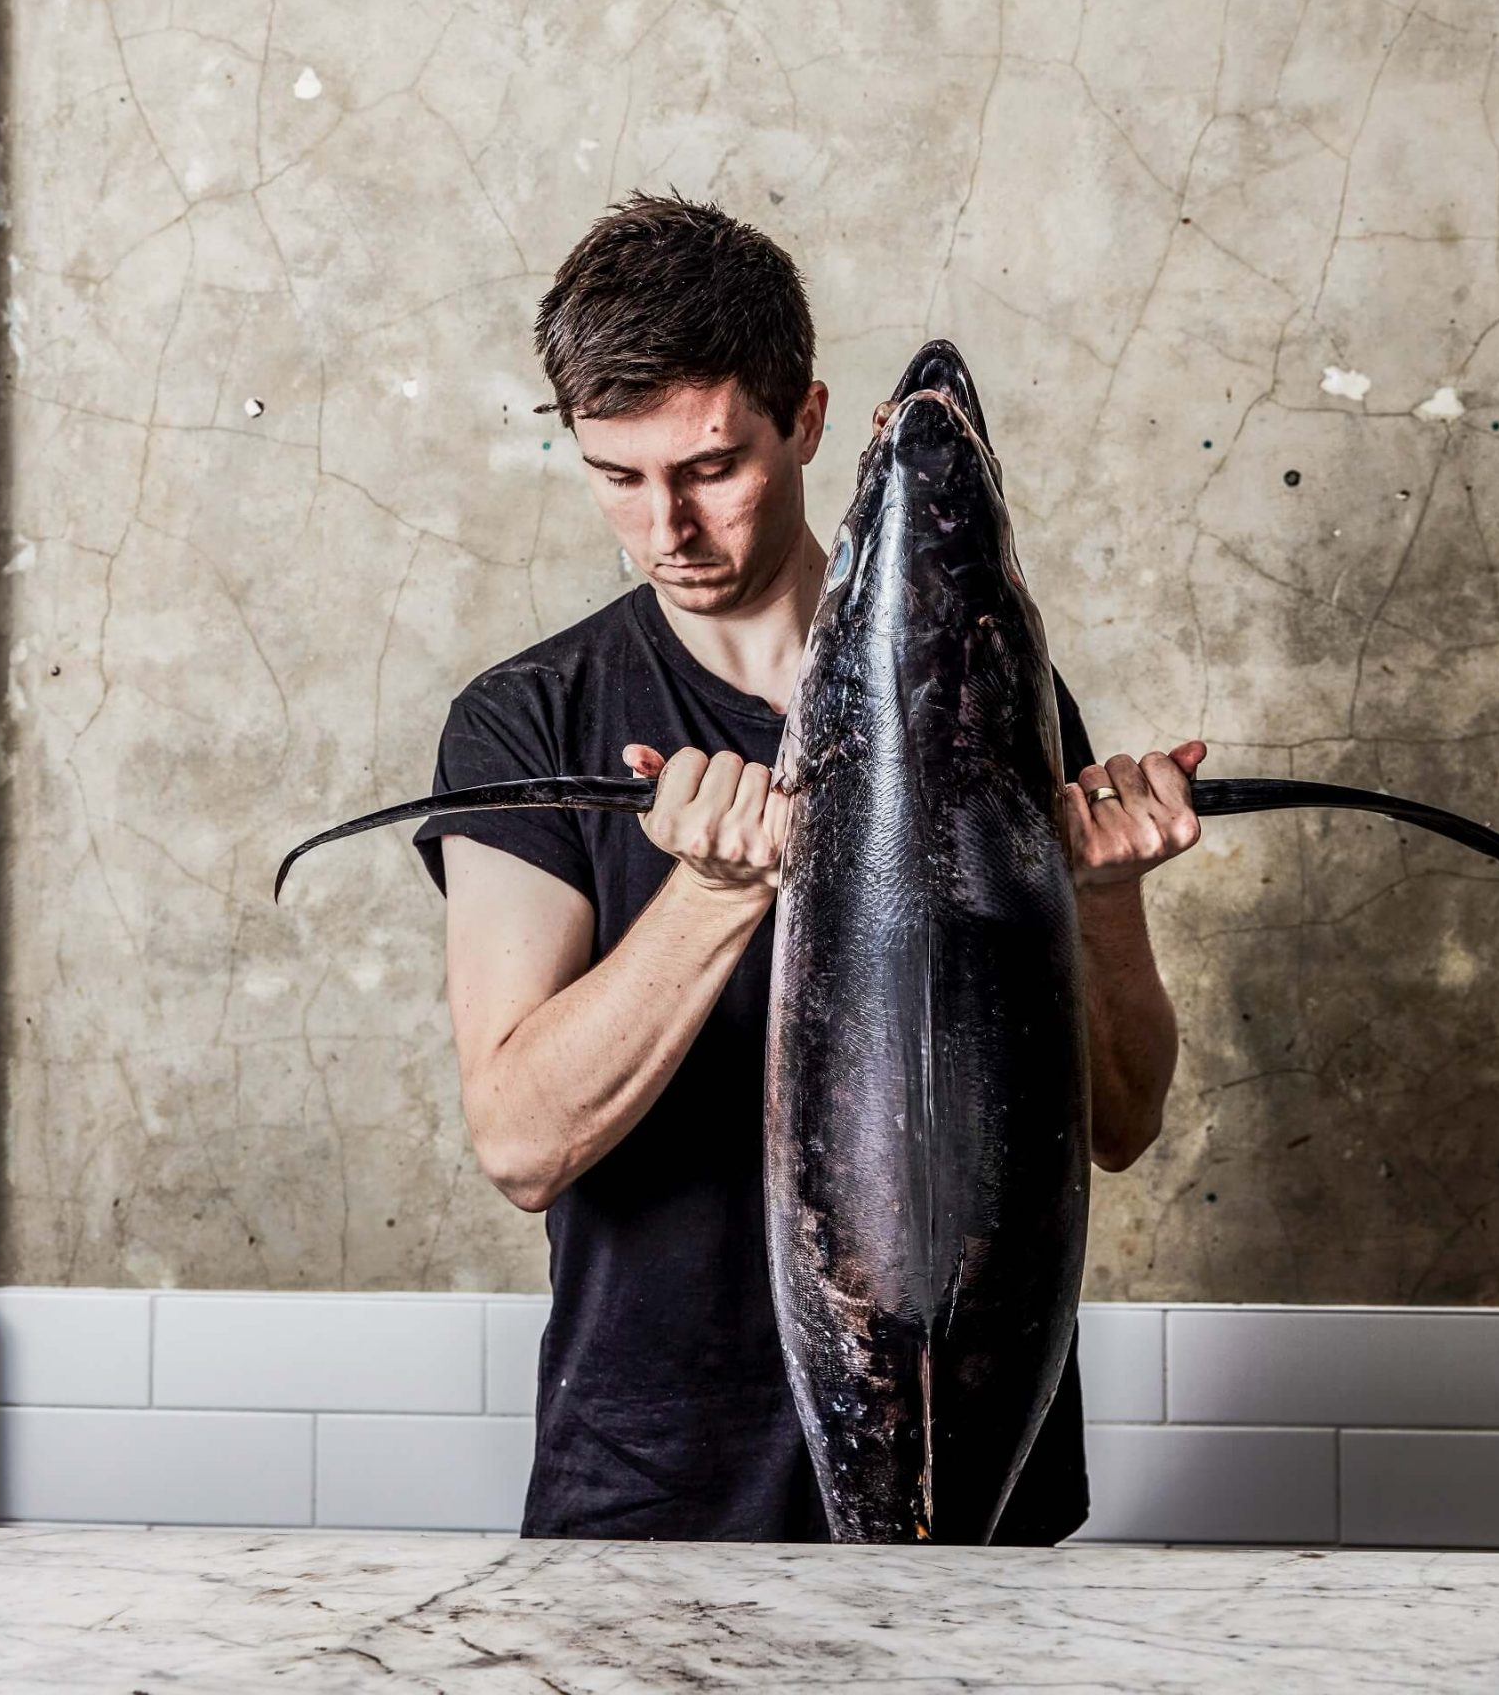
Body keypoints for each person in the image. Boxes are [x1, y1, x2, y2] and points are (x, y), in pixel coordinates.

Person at [412, 194, 1205, 1543]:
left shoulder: (986, 698)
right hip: (662, 1496)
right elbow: (523, 1140)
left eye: (712, 466)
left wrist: (1108, 898)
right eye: (617, 474)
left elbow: (1118, 1124)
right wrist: (714, 898)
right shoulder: (528, 719)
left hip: (984, 1479)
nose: (668, 525)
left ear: (806, 422)